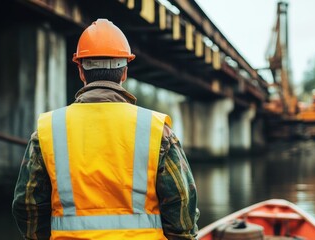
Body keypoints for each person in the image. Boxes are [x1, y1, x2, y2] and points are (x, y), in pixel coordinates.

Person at [12, 18, 199, 240]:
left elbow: (27, 205)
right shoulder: (156, 130)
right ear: (124, 73)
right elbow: (182, 205)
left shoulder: (48, 131)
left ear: (81, 71)